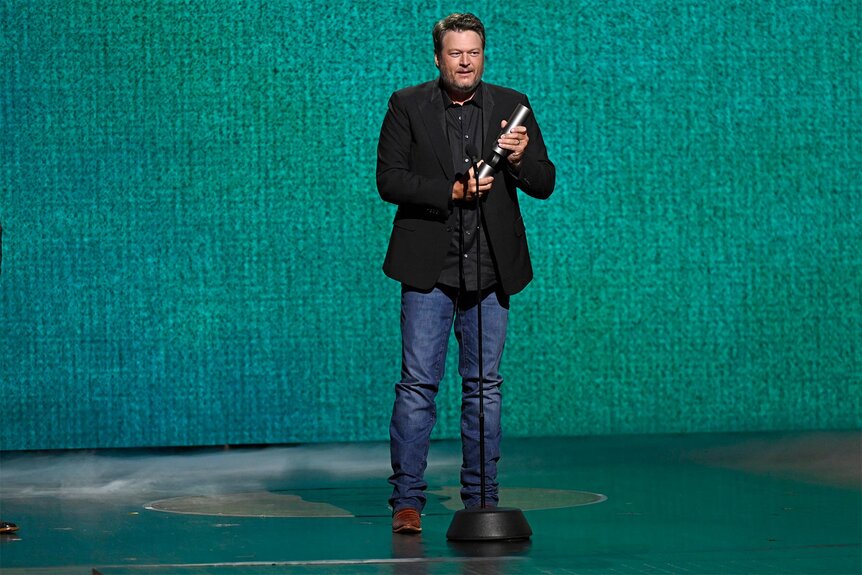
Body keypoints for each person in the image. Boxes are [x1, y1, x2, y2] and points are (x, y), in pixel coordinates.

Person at [377, 13, 555, 534]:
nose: (464, 62)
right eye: (455, 53)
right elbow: (389, 179)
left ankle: (481, 498)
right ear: (438, 58)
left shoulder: (511, 105)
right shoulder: (407, 104)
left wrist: (519, 160)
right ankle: (407, 501)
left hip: (491, 267)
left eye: (473, 53)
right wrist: (452, 191)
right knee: (417, 385)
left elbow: (544, 181)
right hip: (429, 268)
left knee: (484, 387)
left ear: (483, 55)